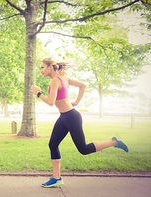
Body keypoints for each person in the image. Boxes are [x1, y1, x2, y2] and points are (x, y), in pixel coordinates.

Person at [31, 57, 129, 188]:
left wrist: (38, 93)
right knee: (53, 144)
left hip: (71, 118)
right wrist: (76, 101)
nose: (41, 70)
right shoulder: (63, 79)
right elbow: (83, 85)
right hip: (65, 117)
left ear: (50, 67)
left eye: (42, 67)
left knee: (84, 149)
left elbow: (51, 102)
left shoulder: (55, 81)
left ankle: (115, 141)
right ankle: (56, 178)